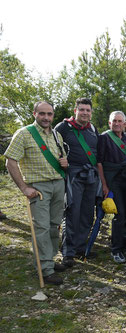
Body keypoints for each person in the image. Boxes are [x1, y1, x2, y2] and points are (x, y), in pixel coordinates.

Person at [5, 101, 68, 284]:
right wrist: (24, 187)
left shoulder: (57, 135)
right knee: (40, 228)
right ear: (34, 114)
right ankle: (45, 269)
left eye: (49, 114)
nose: (46, 117)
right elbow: (10, 162)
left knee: (54, 224)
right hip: (38, 187)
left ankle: (48, 259)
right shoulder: (24, 134)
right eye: (42, 114)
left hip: (58, 184)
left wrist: (65, 163)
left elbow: (61, 158)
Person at [55, 97, 100, 267]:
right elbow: (52, 147)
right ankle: (68, 252)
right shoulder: (63, 127)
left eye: (88, 110)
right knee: (72, 212)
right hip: (73, 176)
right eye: (82, 109)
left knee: (88, 213)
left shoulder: (92, 129)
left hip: (91, 176)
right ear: (76, 111)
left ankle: (81, 247)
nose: (85, 113)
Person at [96, 111, 126, 263]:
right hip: (112, 179)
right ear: (109, 123)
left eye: (120, 121)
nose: (117, 124)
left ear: (124, 123)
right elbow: (99, 163)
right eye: (114, 121)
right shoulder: (104, 138)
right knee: (120, 213)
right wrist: (104, 185)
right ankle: (116, 248)